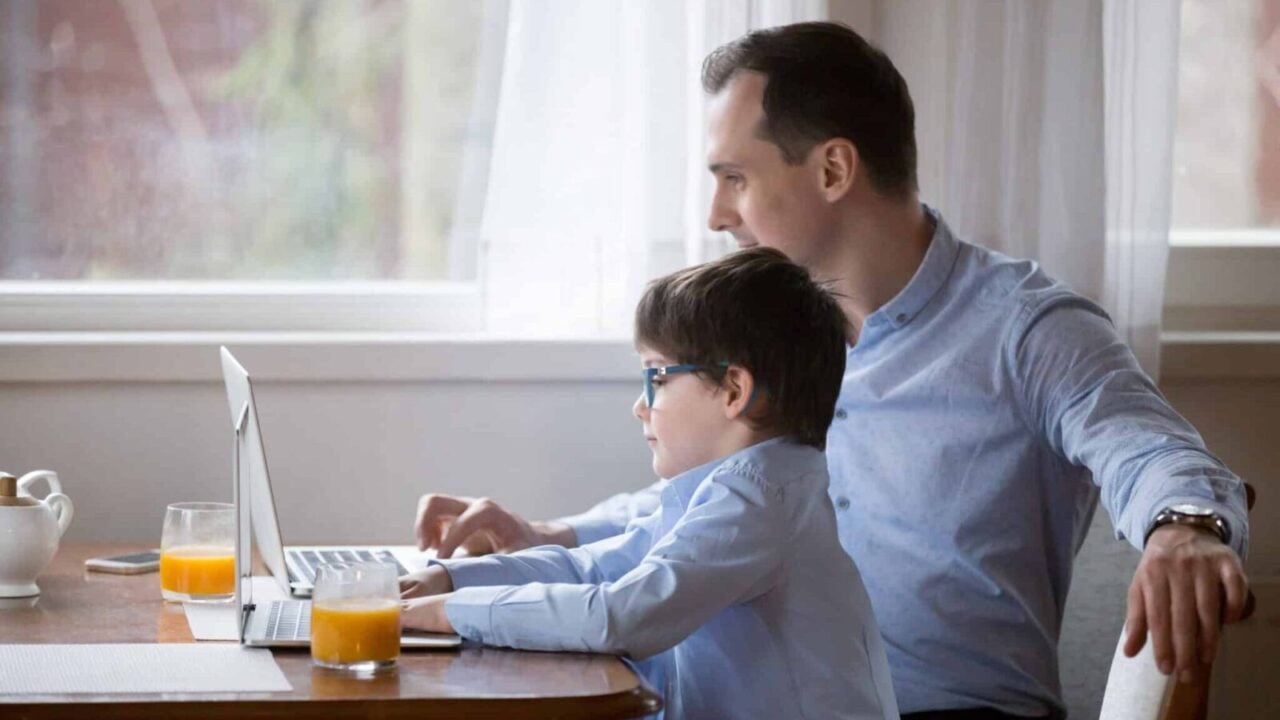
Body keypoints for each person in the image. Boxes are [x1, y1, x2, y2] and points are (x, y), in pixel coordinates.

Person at [411, 22, 1251, 719]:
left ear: (834, 169)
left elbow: (1153, 450)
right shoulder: (779, 340)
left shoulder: (1025, 329)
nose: (715, 214)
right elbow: (729, 503)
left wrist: (1186, 525)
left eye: (735, 178)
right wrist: (554, 536)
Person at [400, 247, 899, 720]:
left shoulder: (761, 501)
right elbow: (592, 566)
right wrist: (452, 577)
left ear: (734, 390)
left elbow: (624, 615)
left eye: (657, 379)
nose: (640, 405)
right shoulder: (727, 491)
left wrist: (451, 612)